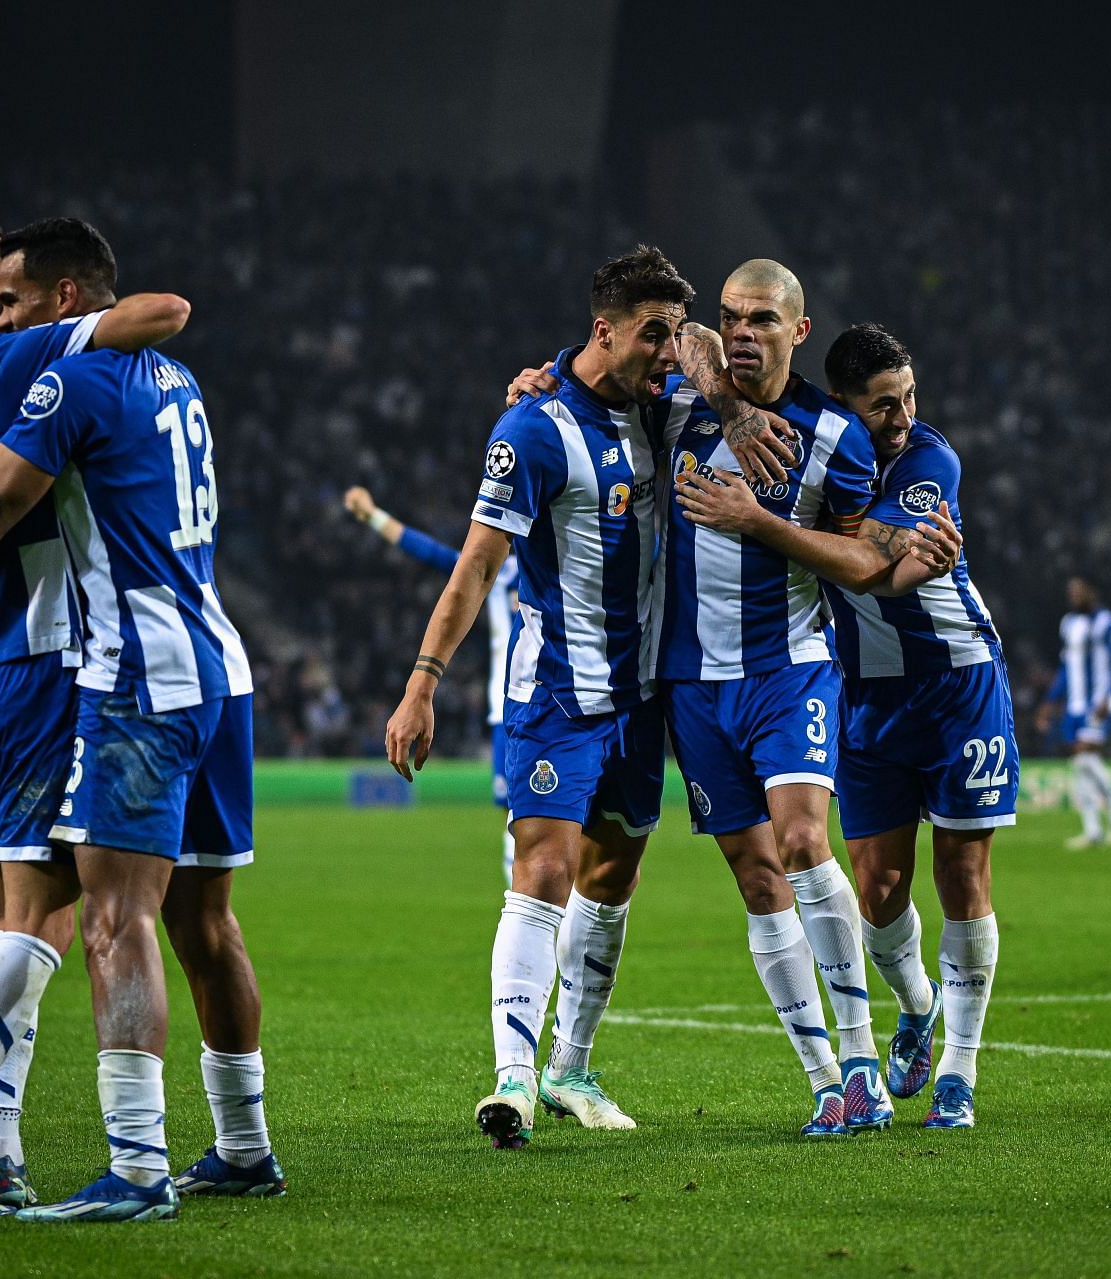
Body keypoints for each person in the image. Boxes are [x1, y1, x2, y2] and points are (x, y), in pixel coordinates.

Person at [0, 217, 280, 1221]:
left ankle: (137, 1166)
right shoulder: (177, 382)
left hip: (138, 674)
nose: (4, 320)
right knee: (208, 917)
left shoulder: (63, 381)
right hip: (219, 661)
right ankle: (244, 1147)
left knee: (115, 918)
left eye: (19, 302)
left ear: (66, 302)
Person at [0, 218, 189, 1216]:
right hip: (53, 662)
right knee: (54, 919)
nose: (12, 280)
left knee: (20, 916)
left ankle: (0, 1150)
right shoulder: (18, 357)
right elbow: (151, 317)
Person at [386, 246, 699, 1150]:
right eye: (652, 334)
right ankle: (513, 1078)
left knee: (613, 877)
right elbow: (476, 564)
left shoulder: (665, 408)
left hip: (643, 698)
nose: (667, 353)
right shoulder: (530, 429)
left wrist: (686, 344)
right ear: (604, 328)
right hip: (557, 689)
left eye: (675, 335)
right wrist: (423, 682)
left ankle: (570, 1064)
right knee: (545, 872)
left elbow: (720, 361)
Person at [676, 323, 1015, 1131]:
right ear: (845, 405)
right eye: (882, 404)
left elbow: (882, 572)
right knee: (880, 891)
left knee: (962, 878)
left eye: (907, 397)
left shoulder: (930, 459)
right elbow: (690, 338)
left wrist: (762, 521)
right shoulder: (810, 447)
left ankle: (960, 1077)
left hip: (957, 683)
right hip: (862, 693)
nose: (901, 416)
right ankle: (917, 1003)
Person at [343, 486, 522, 883]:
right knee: (518, 815)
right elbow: (426, 551)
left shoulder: (567, 566)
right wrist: (372, 515)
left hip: (558, 700)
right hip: (508, 707)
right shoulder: (498, 569)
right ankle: (533, 916)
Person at [1037, 576, 1111, 848]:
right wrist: (1049, 701)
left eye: (1079, 590)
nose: (1074, 595)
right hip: (1075, 705)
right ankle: (1093, 829)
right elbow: (1066, 669)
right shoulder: (1069, 624)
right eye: (1071, 591)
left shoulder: (1107, 622)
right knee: (1079, 764)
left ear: (1092, 591)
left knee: (1084, 756)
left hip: (1099, 701)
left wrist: (1109, 694)